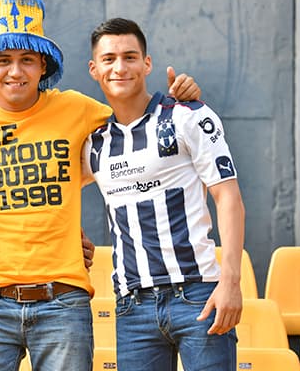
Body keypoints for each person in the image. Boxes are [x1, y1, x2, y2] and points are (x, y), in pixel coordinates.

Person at [0, 0, 200, 371]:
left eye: (27, 59)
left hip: (63, 301)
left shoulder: (77, 109)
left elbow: (136, 123)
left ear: (43, 66)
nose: (15, 71)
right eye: (3, 61)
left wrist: (183, 97)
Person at [84, 18, 244, 370]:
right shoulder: (93, 143)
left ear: (147, 63)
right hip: (131, 306)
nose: (120, 67)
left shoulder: (188, 115)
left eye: (130, 57)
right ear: (94, 69)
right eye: (109, 59)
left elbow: (228, 197)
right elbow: (51, 193)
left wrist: (231, 281)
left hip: (198, 294)